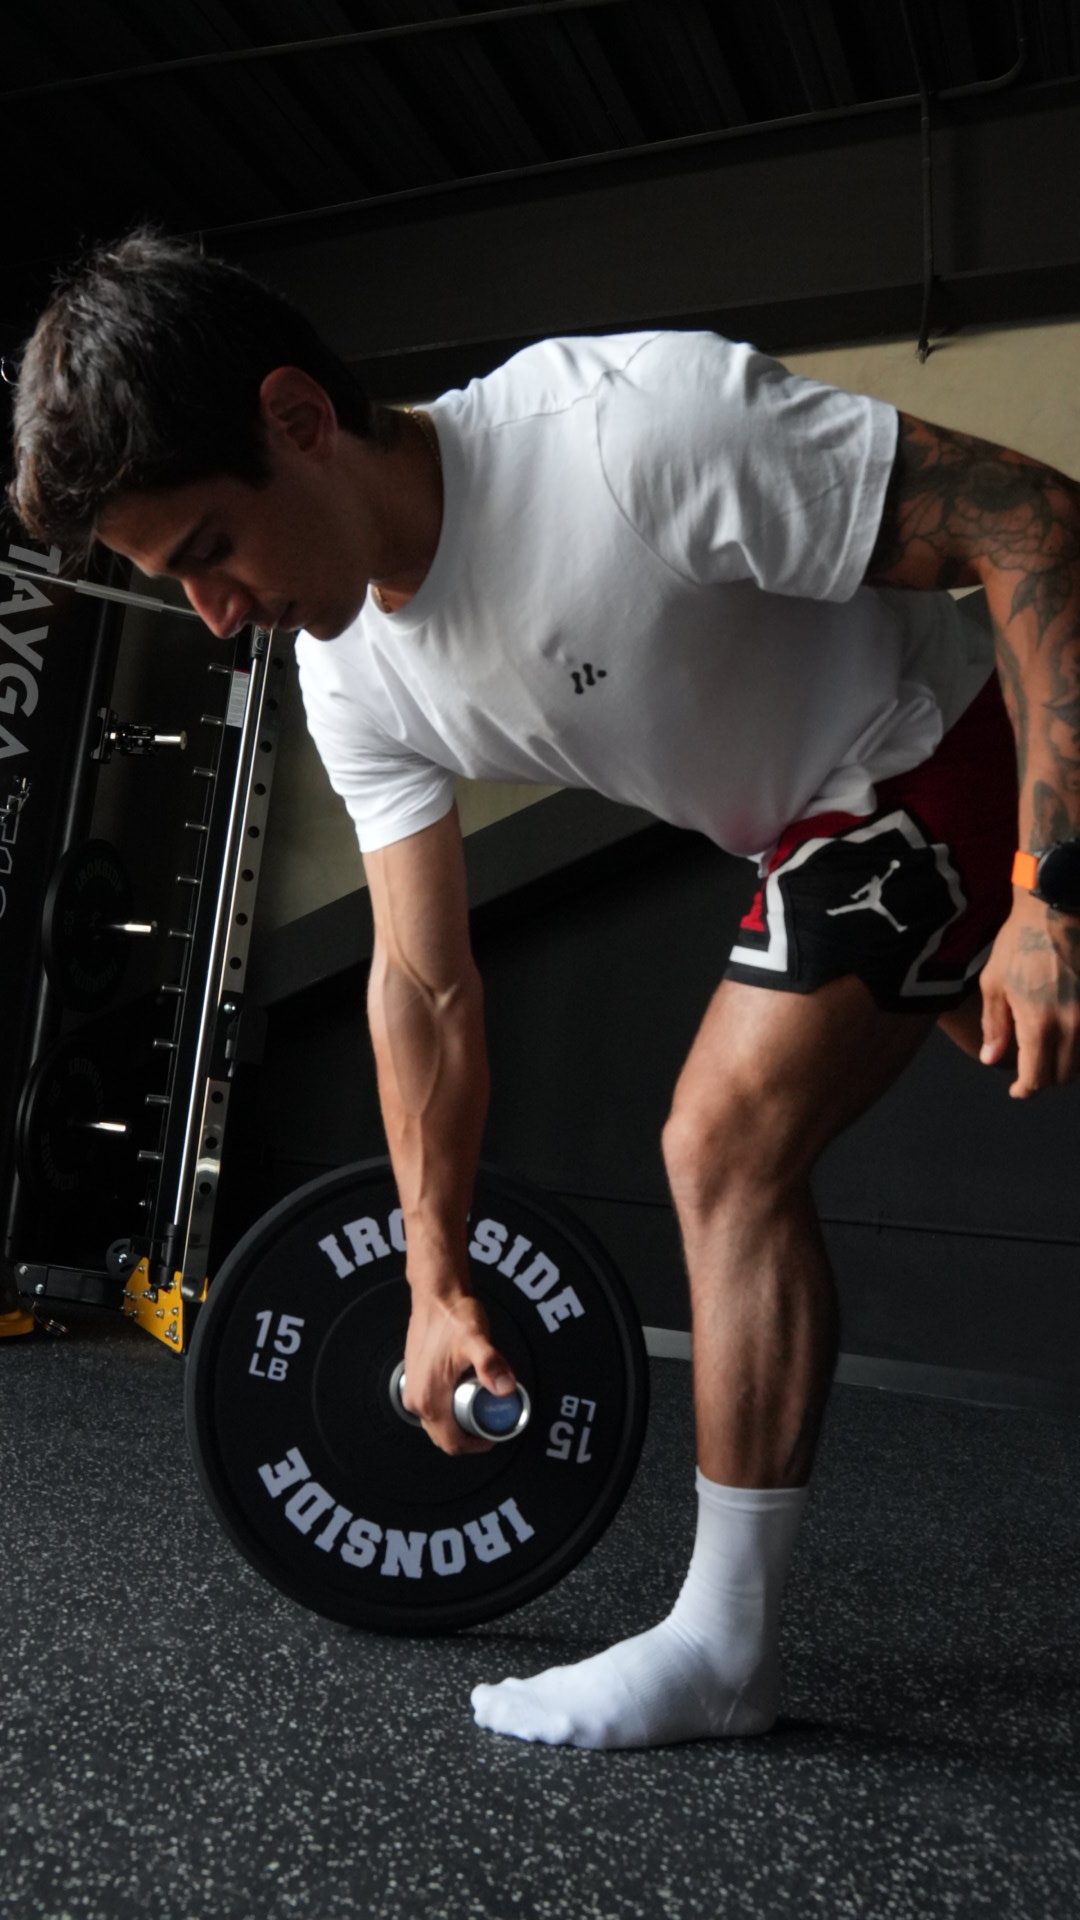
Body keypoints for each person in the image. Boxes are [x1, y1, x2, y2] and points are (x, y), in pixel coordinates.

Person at [9, 230, 1080, 1750]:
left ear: (299, 421)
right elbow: (422, 983)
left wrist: (1048, 883)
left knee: (719, 1142)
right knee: (740, 1133)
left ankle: (724, 1650)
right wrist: (433, 1281)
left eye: (210, 551)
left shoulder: (635, 434)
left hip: (948, 740)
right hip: (810, 824)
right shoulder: (347, 669)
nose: (217, 615)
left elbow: (1033, 519)